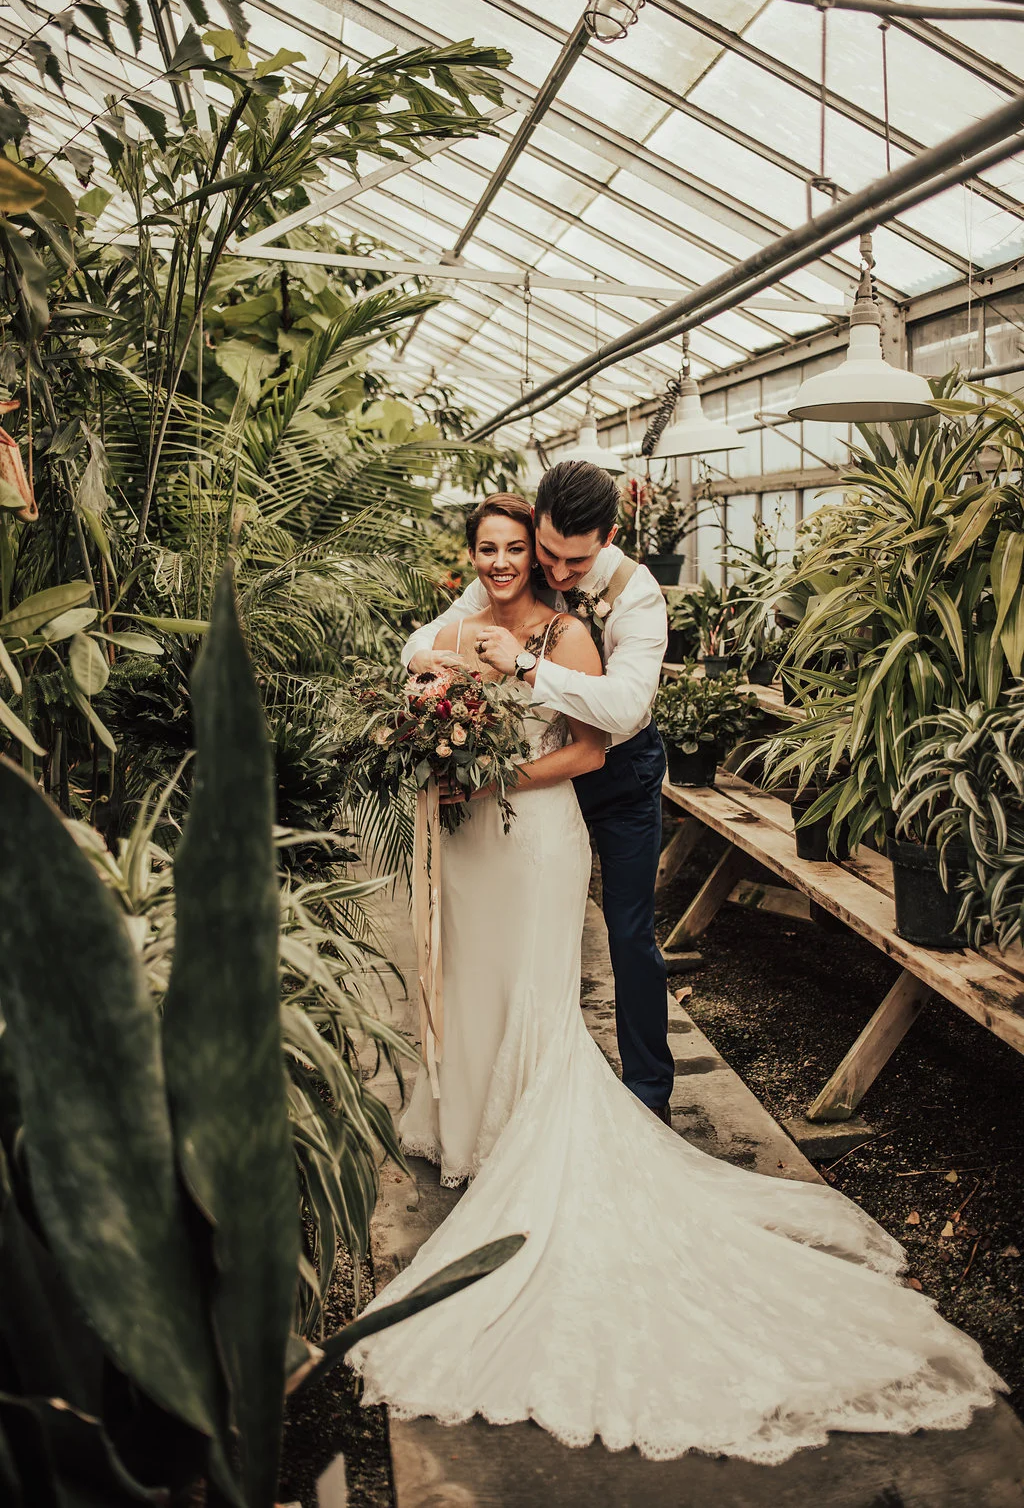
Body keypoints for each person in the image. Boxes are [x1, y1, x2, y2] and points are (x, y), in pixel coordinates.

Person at [347, 493, 1005, 1463]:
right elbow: (411, 659)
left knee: (537, 990)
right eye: (483, 549)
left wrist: (491, 770)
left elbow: (587, 747)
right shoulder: (463, 616)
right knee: (475, 982)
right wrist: (436, 692)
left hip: (533, 836)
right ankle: (463, 1123)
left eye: (513, 549)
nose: (498, 563)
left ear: (542, 556)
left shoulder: (569, 631)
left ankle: (524, 1131)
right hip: (470, 842)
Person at [403, 461, 675, 1124]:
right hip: (536, 783)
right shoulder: (519, 564)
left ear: (607, 537)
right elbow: (429, 636)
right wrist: (425, 667)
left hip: (620, 776)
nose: (554, 574)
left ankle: (647, 1095)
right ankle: (509, 1082)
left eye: (571, 562)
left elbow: (621, 708)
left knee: (630, 932)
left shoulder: (637, 595)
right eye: (544, 553)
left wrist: (528, 664)